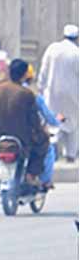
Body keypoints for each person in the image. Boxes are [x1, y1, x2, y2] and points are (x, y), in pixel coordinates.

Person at [0, 58, 49, 184]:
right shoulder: (27, 94)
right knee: (43, 141)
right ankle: (31, 174)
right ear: (24, 75)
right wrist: (41, 132)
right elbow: (34, 121)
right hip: (22, 138)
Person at [38, 24, 79, 162]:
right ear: (77, 38)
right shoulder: (77, 53)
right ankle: (70, 155)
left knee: (54, 121)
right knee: (72, 124)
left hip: (53, 94)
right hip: (73, 96)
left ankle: (52, 148)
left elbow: (43, 70)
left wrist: (40, 87)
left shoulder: (52, 49)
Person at [24, 64, 62, 190]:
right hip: (28, 135)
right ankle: (45, 181)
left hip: (4, 133)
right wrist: (58, 120)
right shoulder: (33, 96)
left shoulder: (2, 91)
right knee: (48, 149)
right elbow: (49, 117)